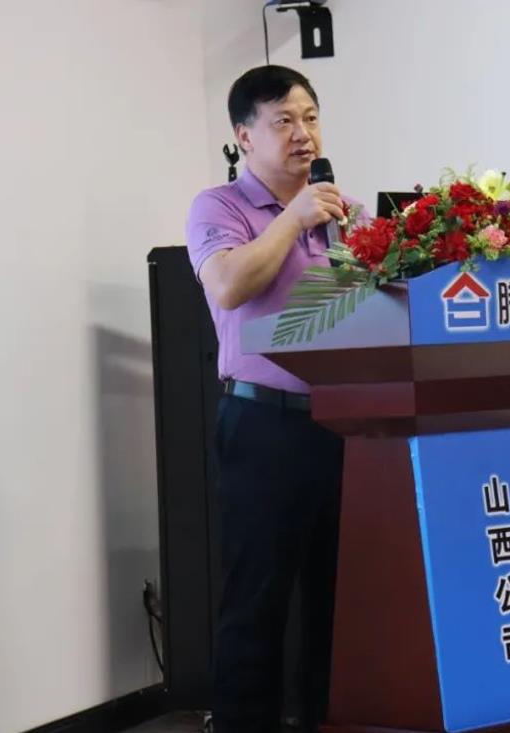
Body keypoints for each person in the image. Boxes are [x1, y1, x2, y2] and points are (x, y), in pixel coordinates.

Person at [185, 64, 362, 733]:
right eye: (283, 121)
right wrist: (292, 218)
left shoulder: (346, 212)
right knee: (257, 601)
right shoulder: (219, 207)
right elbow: (230, 285)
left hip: (350, 426)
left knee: (339, 603)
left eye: (310, 118)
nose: (302, 133)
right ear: (244, 135)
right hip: (264, 424)